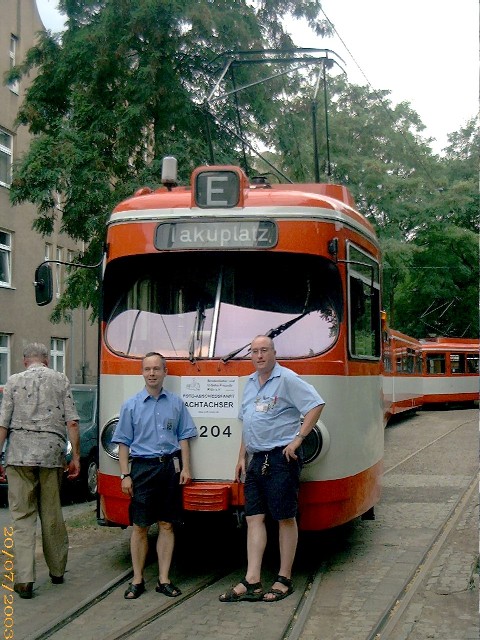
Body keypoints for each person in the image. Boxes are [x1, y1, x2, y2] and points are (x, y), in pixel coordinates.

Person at [219, 335, 324, 603]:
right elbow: (249, 422)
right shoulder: (250, 383)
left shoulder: (286, 378)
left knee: (285, 517)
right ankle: (252, 579)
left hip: (280, 459)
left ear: (274, 353)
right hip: (256, 460)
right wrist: (241, 457)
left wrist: (299, 439)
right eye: (255, 351)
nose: (259, 355)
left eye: (264, 350)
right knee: (253, 518)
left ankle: (284, 579)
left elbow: (316, 404)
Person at [112, 352, 197, 600]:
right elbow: (123, 443)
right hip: (142, 469)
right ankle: (137, 580)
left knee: (167, 524)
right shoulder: (130, 405)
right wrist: (125, 475)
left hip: (169, 468)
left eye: (157, 369)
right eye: (148, 369)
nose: (152, 373)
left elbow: (184, 437)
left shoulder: (176, 403)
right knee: (140, 526)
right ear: (142, 372)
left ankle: (164, 580)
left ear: (165, 372)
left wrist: (186, 468)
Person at [0, 343, 80, 600]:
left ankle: (24, 580)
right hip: (51, 455)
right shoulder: (60, 380)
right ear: (46, 360)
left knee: (22, 517)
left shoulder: (13, 382)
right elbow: (72, 422)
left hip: (19, 456)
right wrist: (75, 457)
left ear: (25, 361)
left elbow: (3, 424)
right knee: (52, 513)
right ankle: (57, 570)